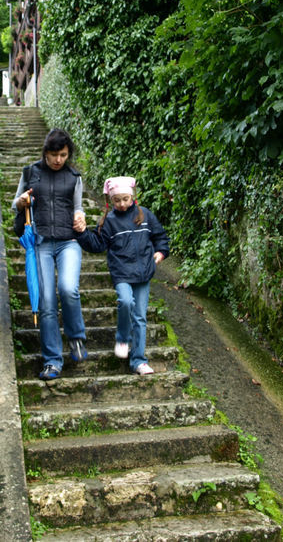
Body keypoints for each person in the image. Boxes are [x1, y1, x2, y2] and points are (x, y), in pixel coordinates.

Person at [13, 128, 89, 380]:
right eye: (54, 155)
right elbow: (16, 202)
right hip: (41, 243)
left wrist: (81, 219)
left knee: (68, 288)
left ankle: (76, 337)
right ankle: (52, 361)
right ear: (46, 153)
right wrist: (22, 202)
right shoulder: (30, 173)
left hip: (69, 242)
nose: (58, 160)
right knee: (45, 301)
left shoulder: (74, 176)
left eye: (64, 155)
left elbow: (78, 208)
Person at [74, 176, 169, 375]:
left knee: (140, 317)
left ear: (133, 196)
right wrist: (82, 233)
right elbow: (97, 244)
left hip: (143, 272)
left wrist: (160, 252)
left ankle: (139, 361)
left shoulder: (145, 215)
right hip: (122, 273)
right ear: (110, 200)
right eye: (117, 200)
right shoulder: (109, 221)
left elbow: (160, 236)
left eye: (126, 199)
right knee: (126, 302)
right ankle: (123, 338)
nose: (122, 204)